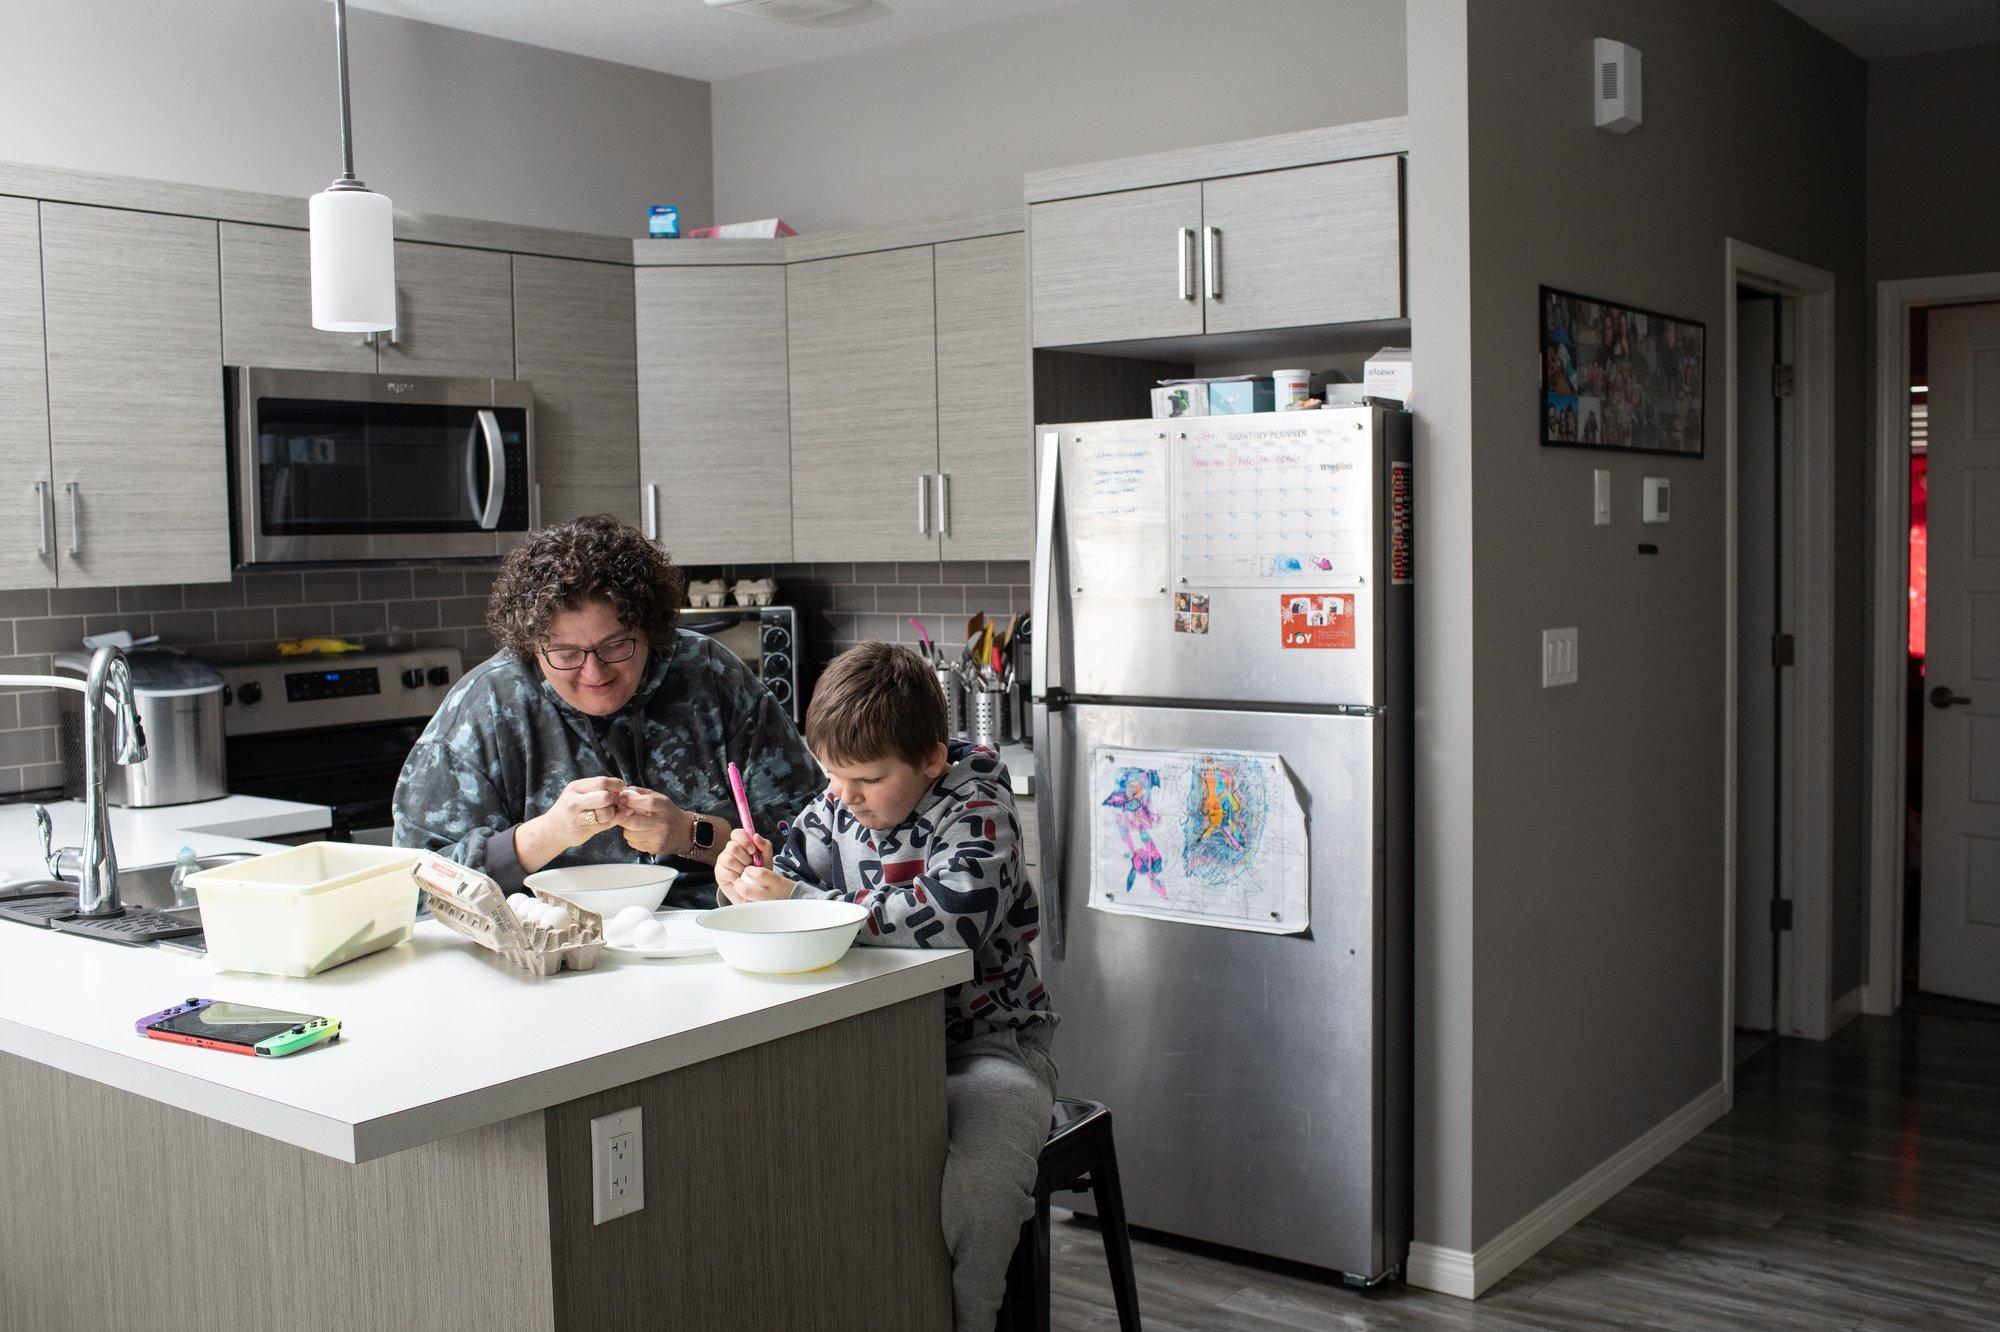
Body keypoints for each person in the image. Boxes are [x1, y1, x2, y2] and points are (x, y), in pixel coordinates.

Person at [715, 642, 1056, 1331]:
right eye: (832, 776)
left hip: (988, 1047)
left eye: (865, 779)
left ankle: (971, 1319)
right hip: (867, 1045)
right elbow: (784, 892)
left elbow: (954, 918)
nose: (843, 796)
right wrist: (742, 883)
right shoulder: (841, 804)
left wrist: (805, 899)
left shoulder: (978, 806)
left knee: (978, 1193)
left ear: (931, 758)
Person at [393, 515, 820, 907]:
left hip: (716, 946)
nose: (594, 672)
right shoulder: (484, 708)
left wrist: (688, 833)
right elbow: (409, 888)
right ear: (532, 646)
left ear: (650, 629)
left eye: (616, 645)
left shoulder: (711, 677)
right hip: (548, 962)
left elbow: (822, 838)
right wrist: (542, 836)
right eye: (565, 652)